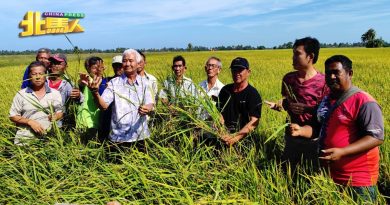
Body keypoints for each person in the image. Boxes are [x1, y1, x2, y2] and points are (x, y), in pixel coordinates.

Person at [292, 55, 384, 202]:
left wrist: (343, 152)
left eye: (336, 72)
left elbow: (375, 137)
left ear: (350, 73)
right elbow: (321, 128)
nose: (331, 77)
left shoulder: (364, 101)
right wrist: (301, 130)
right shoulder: (327, 99)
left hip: (358, 180)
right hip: (331, 176)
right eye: (328, 73)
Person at [266, 37, 328, 172]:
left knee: (312, 174)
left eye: (297, 54)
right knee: (289, 171)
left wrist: (309, 109)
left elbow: (328, 111)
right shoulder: (288, 79)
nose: (293, 57)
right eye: (293, 53)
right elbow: (286, 102)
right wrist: (280, 105)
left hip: (314, 138)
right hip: (291, 135)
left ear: (310, 56)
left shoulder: (324, 82)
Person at [85, 49, 154, 147]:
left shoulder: (145, 83)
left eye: (130, 60)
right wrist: (95, 92)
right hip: (118, 137)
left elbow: (150, 103)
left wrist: (147, 108)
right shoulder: (114, 83)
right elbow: (103, 106)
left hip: (140, 135)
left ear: (138, 64)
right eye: (125, 61)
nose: (127, 64)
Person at [10, 61, 63, 145]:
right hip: (24, 140)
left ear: (46, 75)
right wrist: (30, 122)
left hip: (48, 139)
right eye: (34, 74)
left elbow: (60, 112)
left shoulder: (55, 93)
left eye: (41, 73)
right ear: (29, 76)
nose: (38, 77)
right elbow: (13, 116)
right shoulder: (21, 94)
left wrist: (55, 116)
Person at [217, 57, 262, 146]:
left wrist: (235, 138)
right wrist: (221, 131)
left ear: (248, 72)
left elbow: (254, 121)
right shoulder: (225, 90)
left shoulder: (253, 94)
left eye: (240, 70)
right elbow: (218, 112)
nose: (236, 73)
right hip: (223, 137)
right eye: (234, 70)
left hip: (244, 141)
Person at [77, 56, 107, 143]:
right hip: (85, 120)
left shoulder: (106, 81)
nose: (98, 70)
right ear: (88, 68)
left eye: (100, 67)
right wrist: (81, 82)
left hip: (99, 119)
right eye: (94, 67)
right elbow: (81, 84)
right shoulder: (87, 80)